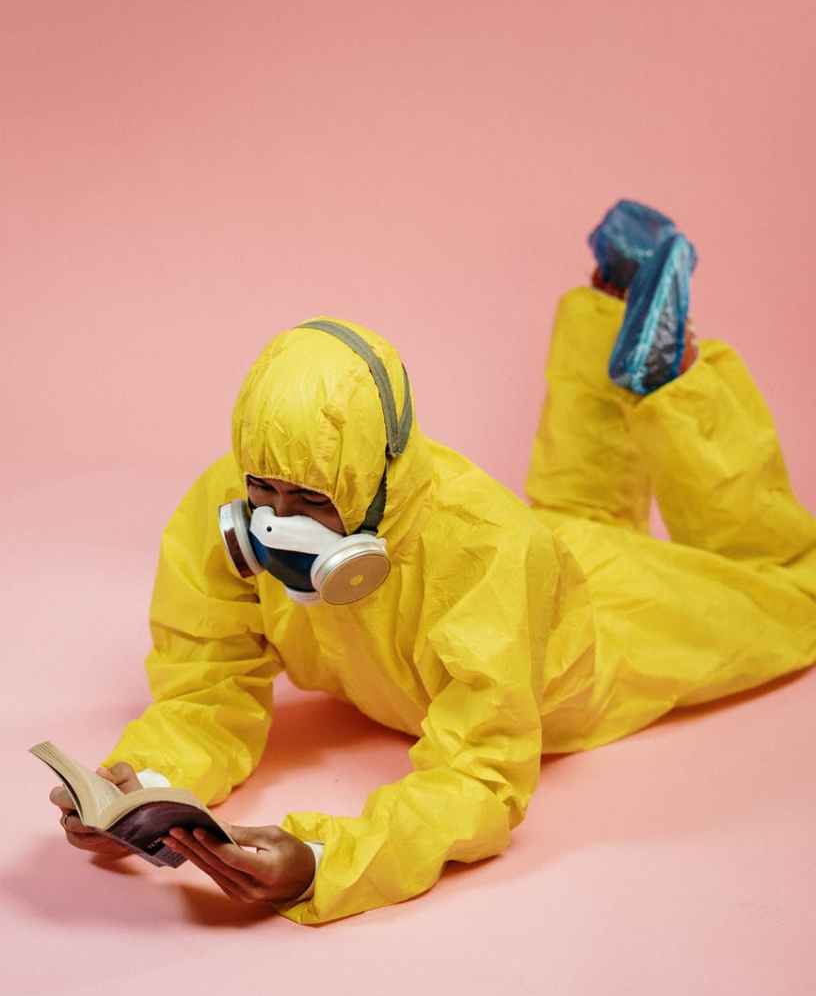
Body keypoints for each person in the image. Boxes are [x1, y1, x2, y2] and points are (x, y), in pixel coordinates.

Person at [50, 200, 816, 925]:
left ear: (380, 471)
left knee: (790, 594)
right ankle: (610, 312)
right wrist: (144, 784)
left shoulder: (486, 548)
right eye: (265, 491)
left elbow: (480, 773)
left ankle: (678, 378)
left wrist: (324, 861)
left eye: (312, 500)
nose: (277, 525)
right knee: (578, 511)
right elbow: (205, 686)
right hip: (534, 560)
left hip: (592, 634)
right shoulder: (226, 504)